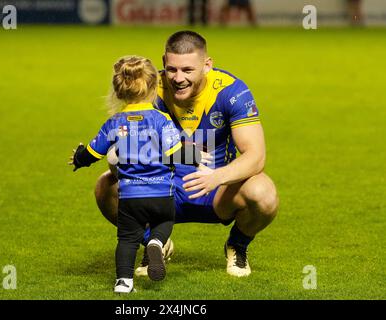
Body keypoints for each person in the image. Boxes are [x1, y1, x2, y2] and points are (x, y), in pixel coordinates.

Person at [95, 31, 279, 278]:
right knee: (106, 187)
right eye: (172, 69)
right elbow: (125, 141)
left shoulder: (231, 91)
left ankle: (237, 245)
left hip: (217, 191)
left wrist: (217, 177)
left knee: (264, 194)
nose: (178, 78)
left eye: (187, 70)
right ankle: (154, 243)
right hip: (161, 188)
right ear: (163, 62)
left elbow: (256, 156)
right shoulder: (150, 90)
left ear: (207, 65)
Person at [69, 56, 201, 293]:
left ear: (119, 91)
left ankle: (123, 282)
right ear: (153, 88)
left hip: (130, 197)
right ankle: (156, 242)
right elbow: (177, 154)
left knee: (127, 239)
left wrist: (79, 158)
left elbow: (92, 152)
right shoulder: (162, 120)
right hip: (161, 194)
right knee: (166, 222)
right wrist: (197, 155)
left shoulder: (114, 122)